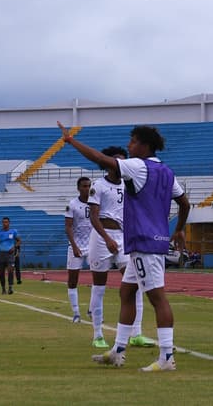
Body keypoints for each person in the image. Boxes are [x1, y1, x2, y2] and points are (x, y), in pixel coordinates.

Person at [60, 122, 191, 372]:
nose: (129, 146)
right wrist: (179, 228)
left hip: (144, 242)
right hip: (152, 240)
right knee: (127, 292)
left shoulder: (139, 166)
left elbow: (101, 159)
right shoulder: (166, 171)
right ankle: (118, 350)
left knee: (157, 298)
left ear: (145, 145)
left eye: (133, 141)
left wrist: (71, 141)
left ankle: (166, 356)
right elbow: (184, 203)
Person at [83, 146, 153, 350]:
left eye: (123, 161)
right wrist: (107, 239)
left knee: (135, 283)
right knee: (99, 287)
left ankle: (136, 333)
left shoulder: (128, 184)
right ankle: (98, 334)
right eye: (116, 161)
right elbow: (94, 217)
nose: (120, 165)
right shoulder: (99, 185)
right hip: (101, 238)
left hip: (123, 238)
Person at [65, 176, 93, 322]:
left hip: (93, 246)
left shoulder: (95, 202)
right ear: (78, 188)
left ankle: (92, 309)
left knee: (99, 278)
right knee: (73, 280)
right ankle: (76, 313)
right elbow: (68, 226)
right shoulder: (72, 204)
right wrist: (74, 246)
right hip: (76, 246)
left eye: (88, 186)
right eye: (84, 186)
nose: (87, 189)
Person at [0, 216, 20, 295]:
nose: (4, 223)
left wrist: (14, 247)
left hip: (10, 254)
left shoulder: (13, 231)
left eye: (6, 222)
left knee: (10, 270)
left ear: (9, 223)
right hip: (1, 253)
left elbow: (19, 241)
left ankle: (10, 287)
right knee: (1, 272)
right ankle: (3, 289)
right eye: (3, 222)